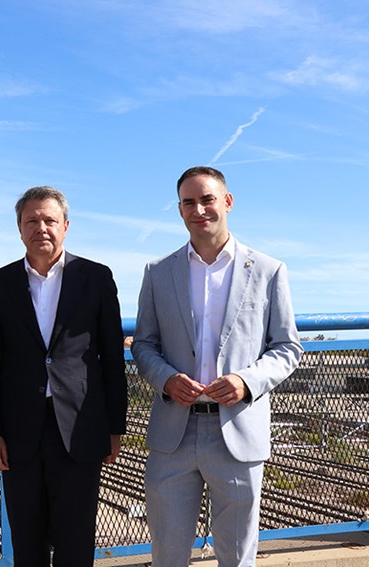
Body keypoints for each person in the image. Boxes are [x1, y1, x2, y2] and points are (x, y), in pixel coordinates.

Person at [131, 166, 303, 567]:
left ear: (227, 202)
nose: (199, 210)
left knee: (238, 556)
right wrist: (167, 379)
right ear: (179, 210)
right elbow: (144, 343)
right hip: (173, 434)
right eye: (189, 202)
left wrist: (246, 381)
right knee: (167, 554)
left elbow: (287, 347)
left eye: (207, 199)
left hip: (238, 431)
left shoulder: (268, 270)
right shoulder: (158, 272)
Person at [0, 186, 127, 566]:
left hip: (80, 427)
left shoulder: (95, 277)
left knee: (76, 541)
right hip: (18, 431)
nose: (40, 228)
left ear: (65, 226)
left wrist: (115, 428)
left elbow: (112, 358)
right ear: (19, 229)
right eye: (31, 221)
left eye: (49, 220)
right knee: (26, 542)